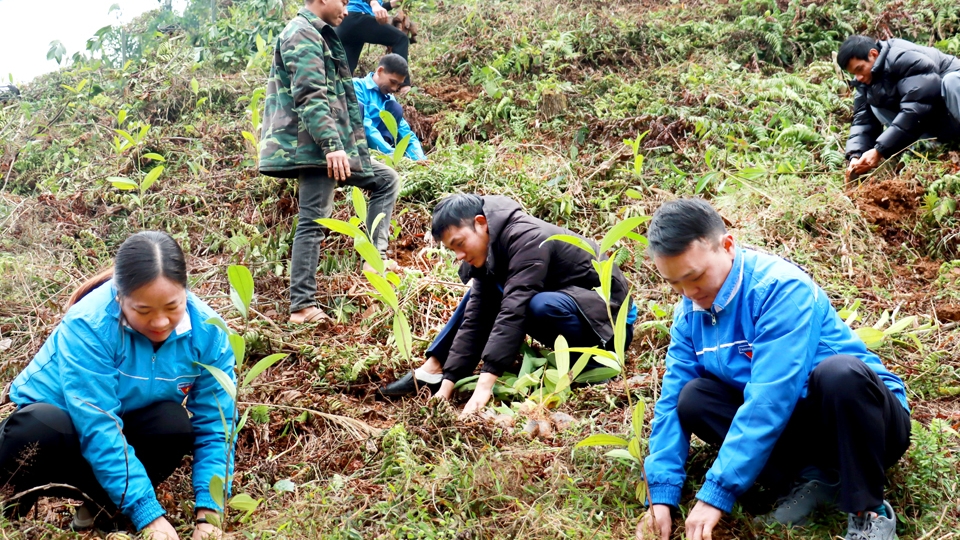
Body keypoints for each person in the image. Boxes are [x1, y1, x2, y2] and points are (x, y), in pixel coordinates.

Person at [637, 199, 910, 540]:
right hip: (797, 427)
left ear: (727, 245)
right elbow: (672, 399)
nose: (689, 293)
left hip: (865, 424)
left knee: (840, 374)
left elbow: (771, 396)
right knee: (693, 398)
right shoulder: (689, 312)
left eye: (695, 277)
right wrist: (660, 495)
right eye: (675, 284)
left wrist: (716, 493)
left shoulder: (779, 289)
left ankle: (868, 511)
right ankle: (817, 480)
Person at [0, 232, 236, 540]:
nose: (161, 322)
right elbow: (98, 423)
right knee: (40, 426)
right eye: (143, 311)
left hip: (120, 433)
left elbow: (217, 425)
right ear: (119, 295)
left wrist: (209, 514)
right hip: (58, 437)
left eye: (171, 306)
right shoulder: (90, 324)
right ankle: (9, 513)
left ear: (186, 291)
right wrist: (148, 515)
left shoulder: (209, 333)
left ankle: (99, 511)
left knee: (172, 424)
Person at [378, 194, 637, 415]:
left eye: (459, 244)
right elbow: (476, 318)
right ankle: (437, 370)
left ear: (481, 223)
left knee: (534, 304)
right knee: (479, 298)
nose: (458, 256)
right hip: (570, 306)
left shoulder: (526, 237)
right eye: (451, 249)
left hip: (609, 323)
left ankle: (596, 365)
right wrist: (449, 384)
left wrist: (484, 385)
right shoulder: (489, 249)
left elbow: (514, 308)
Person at [259, 0, 402, 325]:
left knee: (385, 180)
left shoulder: (320, 33)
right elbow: (310, 94)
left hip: (326, 146)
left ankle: (373, 260)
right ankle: (302, 307)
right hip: (314, 148)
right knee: (314, 220)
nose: (348, 8)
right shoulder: (302, 33)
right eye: (342, 0)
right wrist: (332, 146)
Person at [839, 35, 960, 178]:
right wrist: (855, 155)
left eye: (860, 69)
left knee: (951, 81)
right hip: (937, 118)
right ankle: (930, 147)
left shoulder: (904, 57)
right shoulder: (864, 80)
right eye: (854, 74)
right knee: (875, 105)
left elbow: (917, 107)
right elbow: (862, 120)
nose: (858, 77)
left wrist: (880, 150)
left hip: (948, 106)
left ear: (873, 54)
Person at [353, 54, 427, 161]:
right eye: (392, 82)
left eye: (398, 85)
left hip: (381, 150)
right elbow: (365, 125)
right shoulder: (356, 86)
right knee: (359, 109)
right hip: (357, 143)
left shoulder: (389, 99)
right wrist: (392, 154)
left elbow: (405, 132)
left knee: (396, 108)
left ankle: (382, 158)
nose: (394, 88)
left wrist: (419, 158)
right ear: (380, 71)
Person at [335, 0, 412, 92]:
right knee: (400, 39)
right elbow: (371, 5)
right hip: (357, 17)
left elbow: (375, 8)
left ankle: (340, 94)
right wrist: (374, 3)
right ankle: (403, 85)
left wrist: (392, 4)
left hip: (346, 23)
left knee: (346, 70)